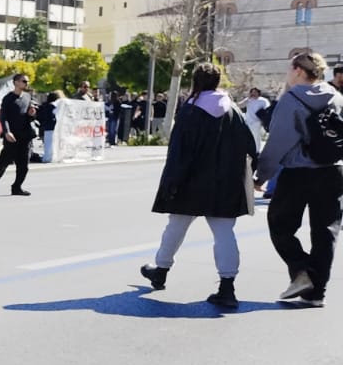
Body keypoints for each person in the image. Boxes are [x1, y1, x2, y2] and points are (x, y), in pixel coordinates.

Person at [138, 64, 258, 308]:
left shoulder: (191, 110)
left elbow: (178, 152)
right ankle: (227, 286)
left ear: (196, 82)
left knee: (176, 226)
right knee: (224, 233)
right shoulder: (233, 109)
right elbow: (250, 146)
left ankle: (160, 270)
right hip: (226, 182)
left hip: (191, 181)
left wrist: (171, 182)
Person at [255, 50, 343, 306]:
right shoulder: (337, 97)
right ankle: (316, 293)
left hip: (298, 172)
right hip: (333, 170)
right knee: (326, 232)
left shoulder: (291, 99)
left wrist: (262, 175)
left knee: (279, 224)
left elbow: (278, 143)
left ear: (298, 71)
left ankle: (302, 270)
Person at [0, 73, 35, 195]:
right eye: (24, 81)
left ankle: (16, 187)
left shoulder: (28, 97)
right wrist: (7, 132)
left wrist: (32, 114)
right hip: (11, 137)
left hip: (25, 136)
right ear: (16, 82)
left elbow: (29, 116)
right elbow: (4, 118)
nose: (26, 83)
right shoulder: (8, 98)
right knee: (3, 163)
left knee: (24, 166)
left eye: (27, 81)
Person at [36, 90, 61, 164]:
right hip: (53, 127)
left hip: (46, 128)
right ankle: (50, 157)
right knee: (53, 144)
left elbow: (39, 117)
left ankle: (48, 157)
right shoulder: (54, 106)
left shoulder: (44, 106)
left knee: (48, 144)